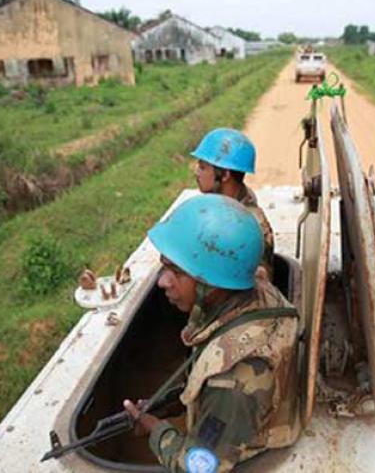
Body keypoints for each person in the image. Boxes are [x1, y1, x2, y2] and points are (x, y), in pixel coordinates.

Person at [123, 194, 300, 473]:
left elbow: (201, 467)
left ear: (213, 283)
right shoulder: (257, 290)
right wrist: (170, 402)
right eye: (164, 267)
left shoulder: (234, 376)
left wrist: (157, 432)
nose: (162, 282)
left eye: (176, 272)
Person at [191, 128, 275, 279]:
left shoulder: (251, 226)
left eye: (203, 167)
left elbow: (257, 281)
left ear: (225, 175)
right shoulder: (219, 204)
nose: (196, 172)